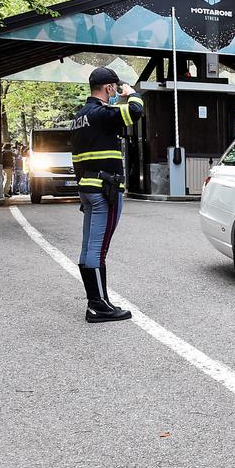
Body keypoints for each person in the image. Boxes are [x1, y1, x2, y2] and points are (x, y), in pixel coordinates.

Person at [71, 67, 143, 323]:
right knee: (98, 249)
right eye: (115, 88)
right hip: (106, 189)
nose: (115, 92)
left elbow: (77, 159)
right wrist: (132, 94)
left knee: (88, 246)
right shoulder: (101, 113)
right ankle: (98, 305)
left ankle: (98, 300)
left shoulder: (79, 116)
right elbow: (135, 111)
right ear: (109, 88)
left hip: (89, 188)